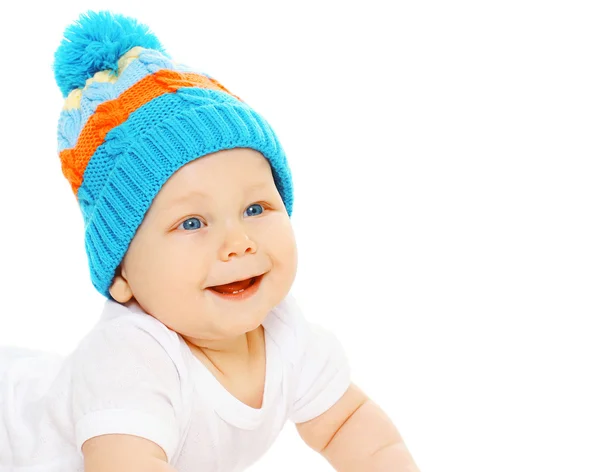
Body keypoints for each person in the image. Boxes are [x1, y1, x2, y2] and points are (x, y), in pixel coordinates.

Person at [0, 10, 420, 472]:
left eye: (256, 209)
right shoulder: (129, 361)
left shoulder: (287, 333)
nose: (238, 242)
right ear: (121, 274)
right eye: (193, 223)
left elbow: (348, 424)